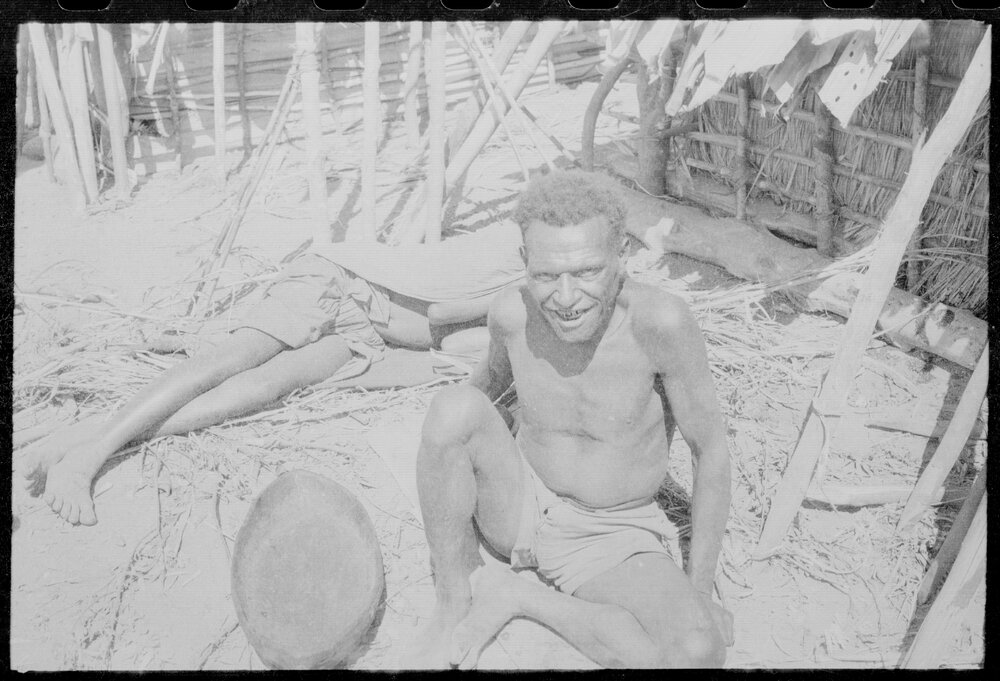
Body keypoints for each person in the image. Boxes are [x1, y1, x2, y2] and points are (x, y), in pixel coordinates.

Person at [408, 170, 733, 669]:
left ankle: (519, 596)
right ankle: (456, 600)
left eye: (587, 272)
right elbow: (480, 395)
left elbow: (710, 450)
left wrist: (701, 590)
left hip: (609, 536)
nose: (565, 297)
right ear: (525, 260)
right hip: (518, 505)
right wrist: (465, 456)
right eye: (545, 276)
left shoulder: (659, 325)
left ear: (622, 254)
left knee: (697, 652)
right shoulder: (511, 315)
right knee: (452, 408)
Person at [17, 219, 527, 527]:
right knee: (227, 361)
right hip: (342, 284)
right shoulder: (513, 252)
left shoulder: (534, 294)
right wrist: (511, 300)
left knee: (261, 387)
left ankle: (84, 436)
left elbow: (449, 350)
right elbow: (440, 313)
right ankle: (90, 458)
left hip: (368, 336)